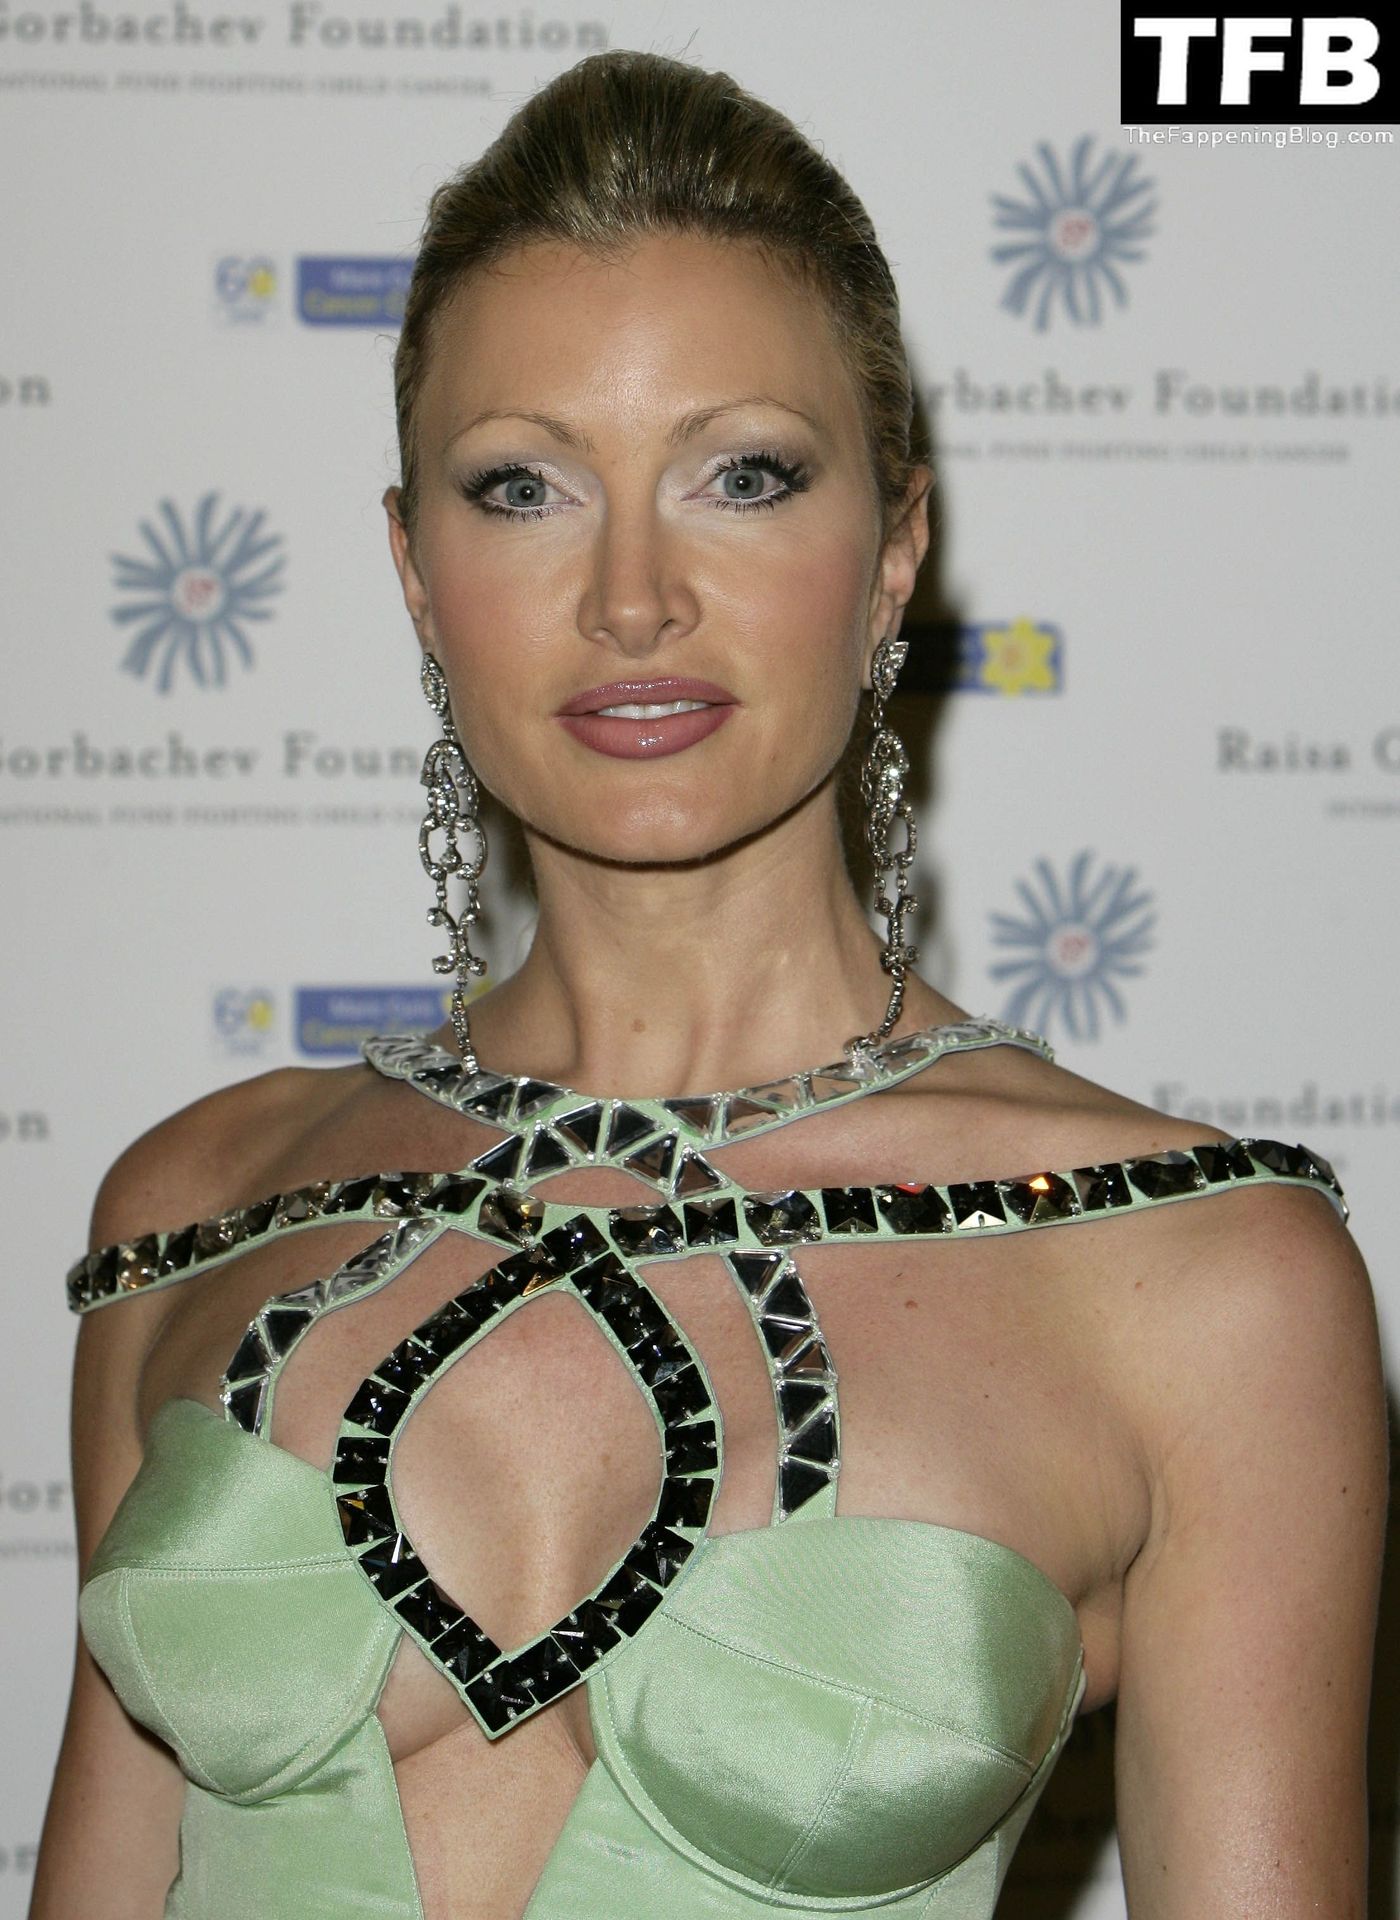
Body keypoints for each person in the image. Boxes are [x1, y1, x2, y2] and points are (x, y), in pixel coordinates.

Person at [31, 48, 1385, 1920]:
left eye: (744, 475)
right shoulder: (191, 1215)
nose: (633, 597)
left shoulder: (1195, 1278)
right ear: (415, 571)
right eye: (522, 487)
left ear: (895, 548)